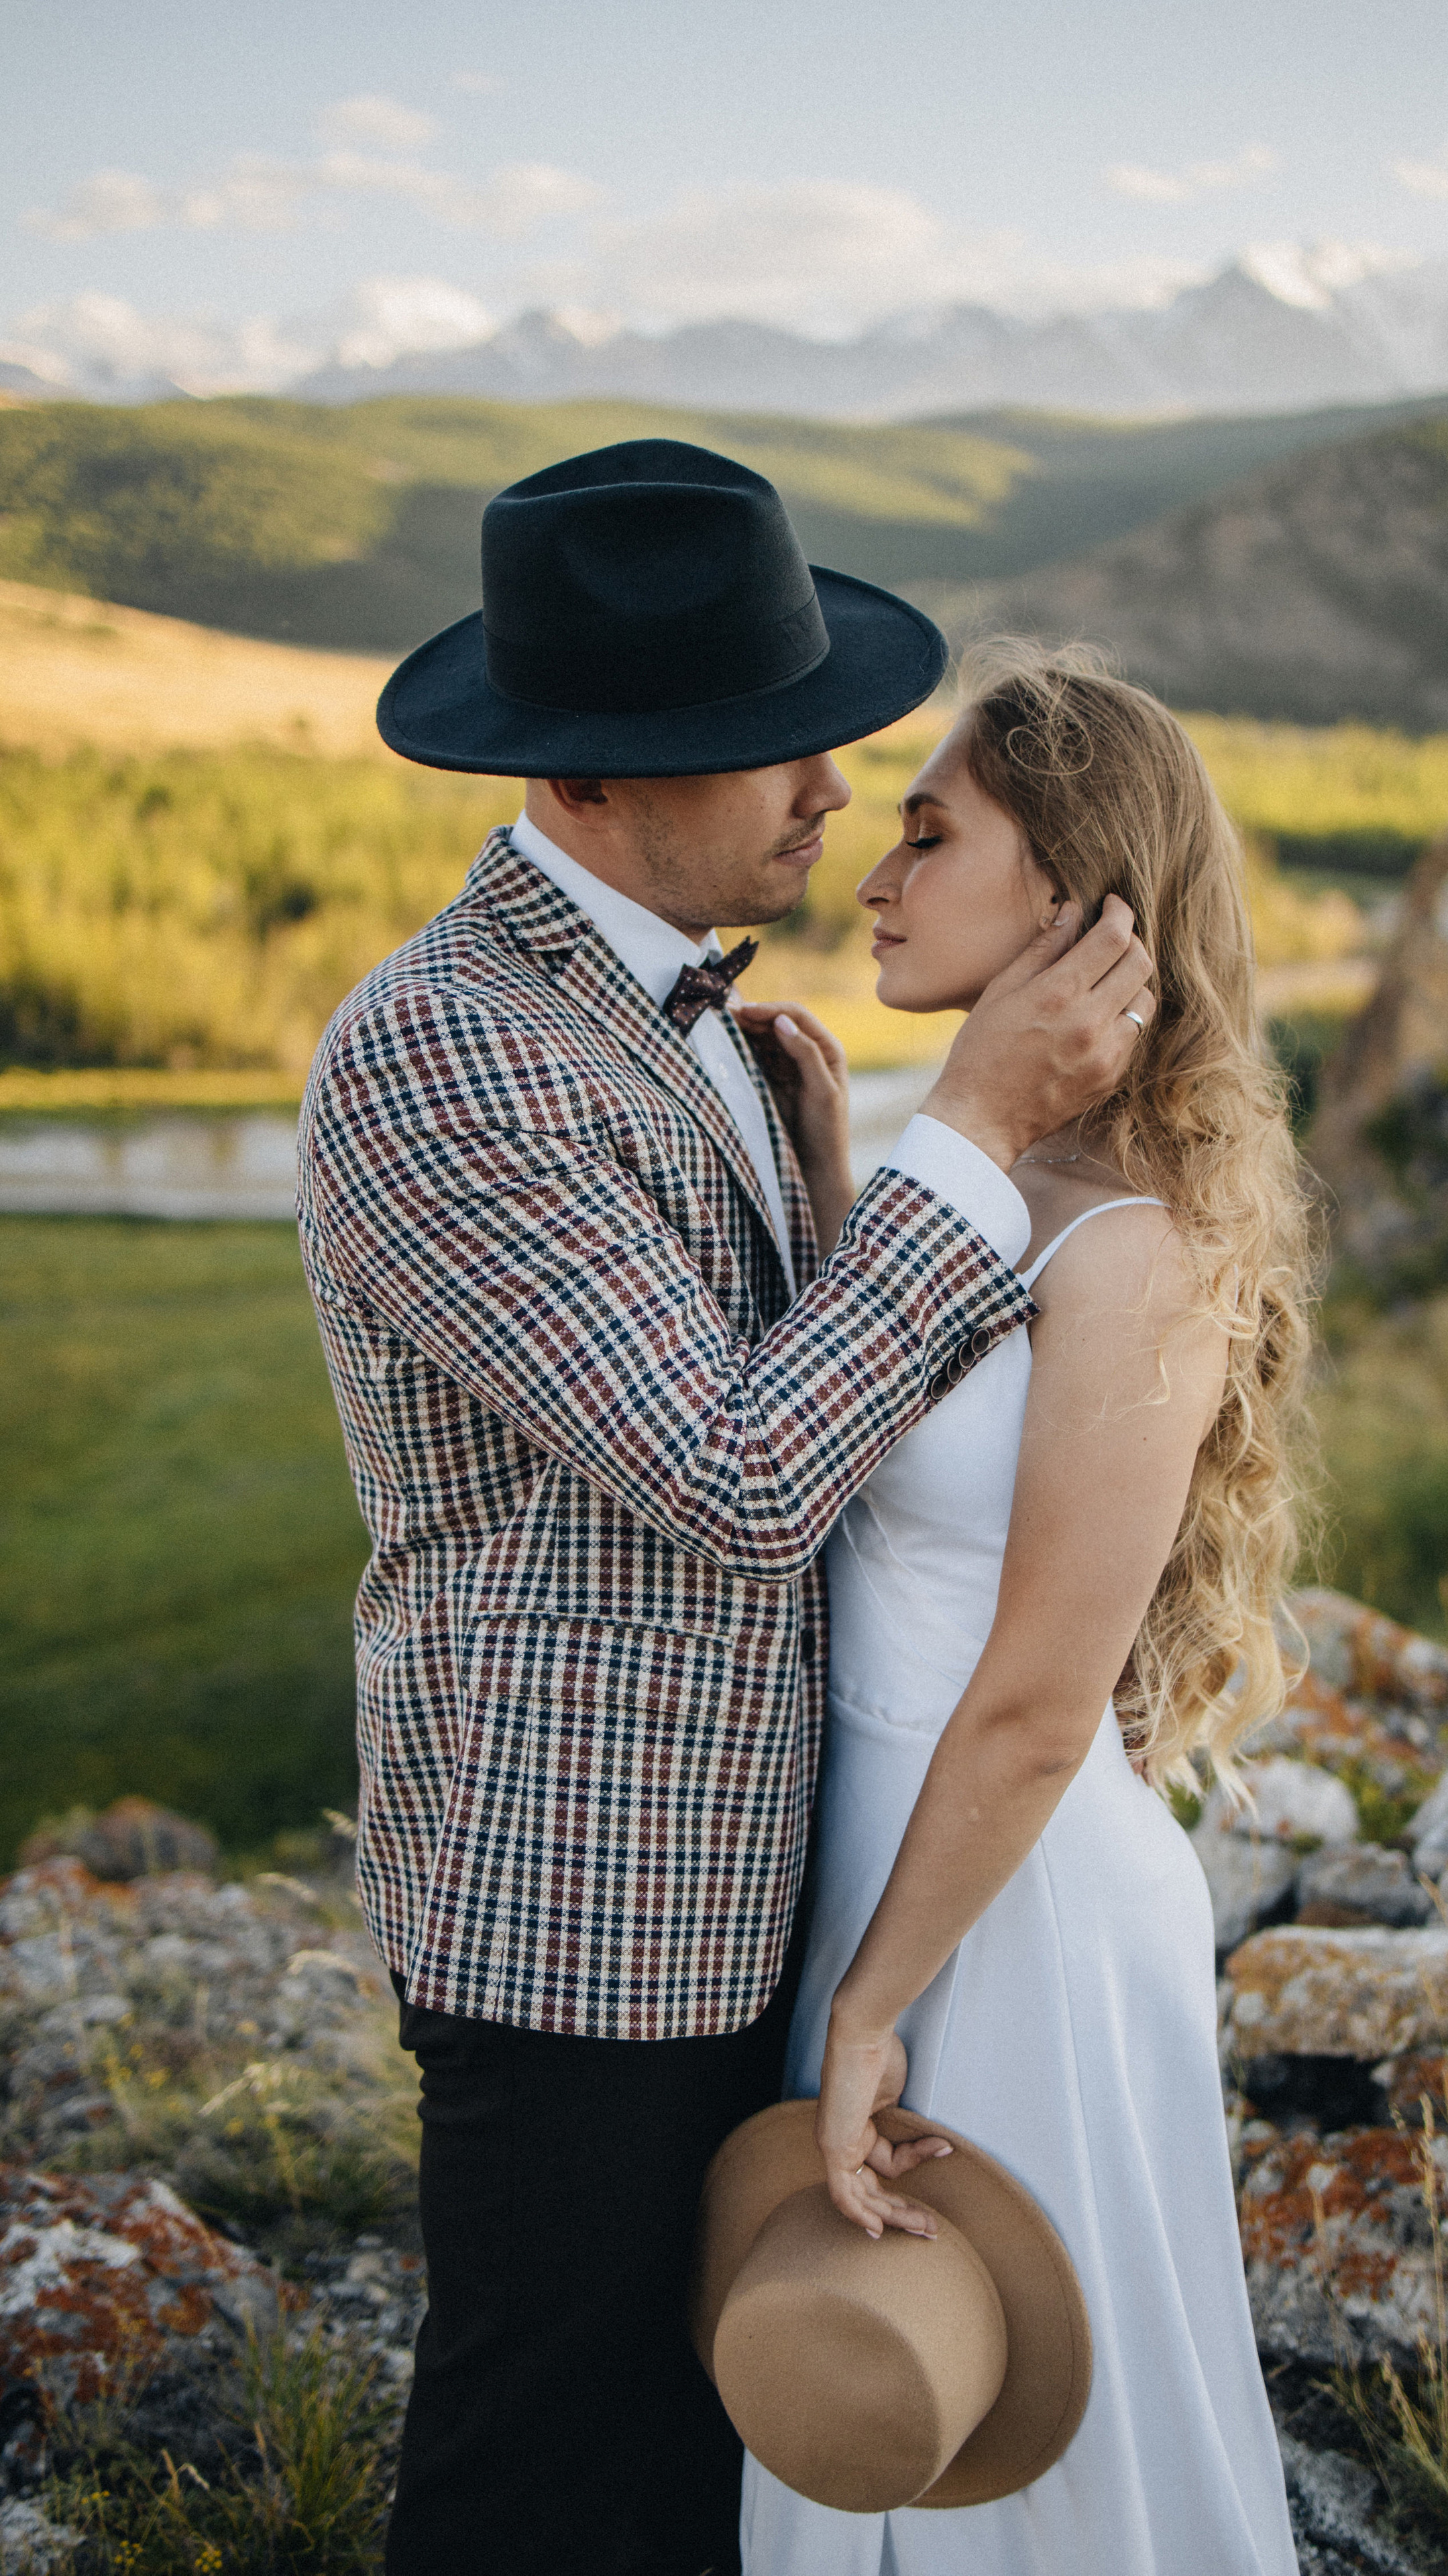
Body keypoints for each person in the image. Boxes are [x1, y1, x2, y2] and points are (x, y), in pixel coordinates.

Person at [295, 446, 1154, 2576]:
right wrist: (971, 1133)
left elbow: (804, 1410)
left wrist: (850, 1183)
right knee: (546, 2460)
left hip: (773, 1868)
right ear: (588, 779)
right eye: (766, 747)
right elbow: (745, 1478)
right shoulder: (450, 1053)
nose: (831, 794)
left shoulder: (699, 1012)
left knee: (708, 2464)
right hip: (585, 1904)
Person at [737, 642, 1312, 2575]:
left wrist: (875, 2002)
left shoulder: (1138, 1242)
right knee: (879, 2382)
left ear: (1074, 893)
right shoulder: (988, 1183)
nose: (875, 877)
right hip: (890, 1865)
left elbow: (1040, 1699)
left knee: (1030, 2436)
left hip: (1014, 1900)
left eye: (927, 833)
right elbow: (876, 1472)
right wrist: (836, 1206)